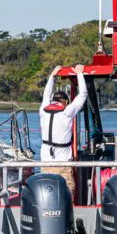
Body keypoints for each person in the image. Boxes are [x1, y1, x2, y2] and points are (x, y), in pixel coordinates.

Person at [39, 64, 88, 199]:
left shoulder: (43, 110)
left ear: (53, 100)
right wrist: (79, 73)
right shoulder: (67, 111)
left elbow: (46, 94)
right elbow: (83, 94)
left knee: (48, 195)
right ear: (66, 102)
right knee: (67, 194)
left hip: (45, 163)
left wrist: (53, 75)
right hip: (63, 164)